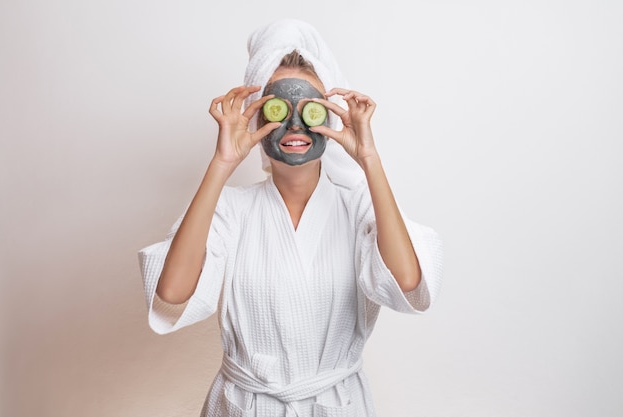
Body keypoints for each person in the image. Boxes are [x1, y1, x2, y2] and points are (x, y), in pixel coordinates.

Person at [138, 18, 443, 417]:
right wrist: (222, 163)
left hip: (336, 404)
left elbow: (408, 283)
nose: (295, 124)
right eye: (278, 108)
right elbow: (172, 293)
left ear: (330, 117)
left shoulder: (358, 206)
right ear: (257, 117)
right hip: (245, 405)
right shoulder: (231, 209)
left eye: (311, 110)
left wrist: (369, 159)